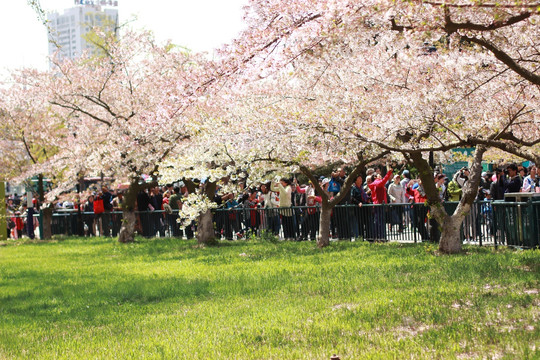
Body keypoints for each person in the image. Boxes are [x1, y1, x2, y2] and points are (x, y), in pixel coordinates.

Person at [367, 168, 393, 240]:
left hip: (378, 204)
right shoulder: (377, 182)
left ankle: (380, 237)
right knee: (379, 222)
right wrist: (389, 172)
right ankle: (380, 237)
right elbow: (384, 180)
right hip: (379, 205)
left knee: (380, 221)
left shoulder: (376, 184)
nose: (380, 176)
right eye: (379, 175)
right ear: (375, 177)